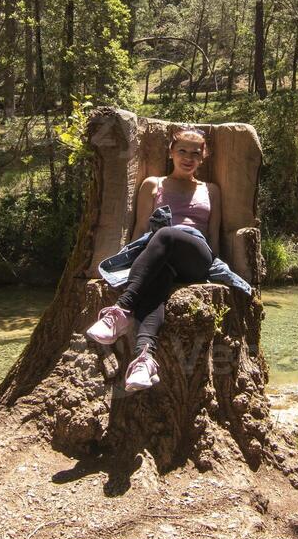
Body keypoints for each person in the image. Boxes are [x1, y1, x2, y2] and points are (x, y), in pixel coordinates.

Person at [85, 125, 226, 392]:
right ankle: (144, 359)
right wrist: (135, 266)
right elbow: (139, 232)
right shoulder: (154, 185)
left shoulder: (211, 190)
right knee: (157, 280)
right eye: (182, 150)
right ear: (170, 152)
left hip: (196, 257)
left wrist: (215, 269)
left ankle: (122, 309)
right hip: (161, 257)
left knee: (166, 234)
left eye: (195, 153)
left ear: (203, 157)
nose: (188, 157)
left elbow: (214, 235)